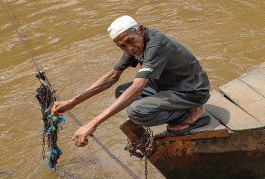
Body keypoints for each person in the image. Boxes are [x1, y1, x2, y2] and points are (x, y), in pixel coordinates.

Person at [51, 15, 212, 148]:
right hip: (169, 86)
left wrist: (93, 123)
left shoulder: (156, 45)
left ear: (141, 30)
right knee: (121, 91)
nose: (129, 48)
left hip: (192, 91)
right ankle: (181, 109)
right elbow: (111, 77)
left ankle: (194, 111)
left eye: (130, 41)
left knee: (136, 111)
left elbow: (137, 89)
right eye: (122, 46)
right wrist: (73, 102)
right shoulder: (136, 45)